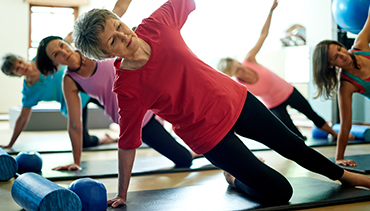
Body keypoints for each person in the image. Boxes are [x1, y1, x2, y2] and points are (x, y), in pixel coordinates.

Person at [72, 0, 370, 207]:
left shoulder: (156, 24)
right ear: (105, 55)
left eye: (119, 26)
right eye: (113, 41)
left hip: (235, 100)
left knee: (294, 146)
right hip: (207, 136)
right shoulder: (126, 87)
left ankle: (348, 178)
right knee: (281, 191)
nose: (125, 35)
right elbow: (127, 141)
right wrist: (122, 192)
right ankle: (234, 178)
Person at [36, 35, 199, 170]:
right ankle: (198, 151)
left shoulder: (92, 47)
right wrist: (76, 162)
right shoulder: (70, 80)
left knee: (195, 123)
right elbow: (74, 124)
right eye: (56, 54)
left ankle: (210, 144)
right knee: (184, 160)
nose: (63, 52)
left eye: (61, 45)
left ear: (66, 42)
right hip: (133, 119)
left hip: (150, 97)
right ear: (54, 63)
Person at [217, 1, 350, 141]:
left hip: (289, 91)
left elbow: (263, 35)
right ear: (232, 73)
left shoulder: (249, 59)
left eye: (239, 64)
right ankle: (302, 146)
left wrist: (271, 12)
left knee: (312, 115)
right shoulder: (239, 85)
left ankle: (337, 136)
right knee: (292, 134)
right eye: (238, 69)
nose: (242, 68)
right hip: (274, 105)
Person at [0, 54, 115, 150]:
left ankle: (131, 134)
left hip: (87, 85)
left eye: (20, 62)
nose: (22, 66)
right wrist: (11, 144)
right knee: (83, 142)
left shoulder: (42, 59)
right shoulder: (29, 91)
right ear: (16, 75)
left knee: (119, 111)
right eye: (17, 69)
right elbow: (22, 118)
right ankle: (106, 139)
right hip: (74, 103)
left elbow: (62, 50)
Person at [312, 6, 370, 167]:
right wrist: (339, 157)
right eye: (335, 57)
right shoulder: (346, 86)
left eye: (340, 49)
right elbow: (345, 125)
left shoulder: (360, 46)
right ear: (331, 65)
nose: (343, 55)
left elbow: (369, 20)